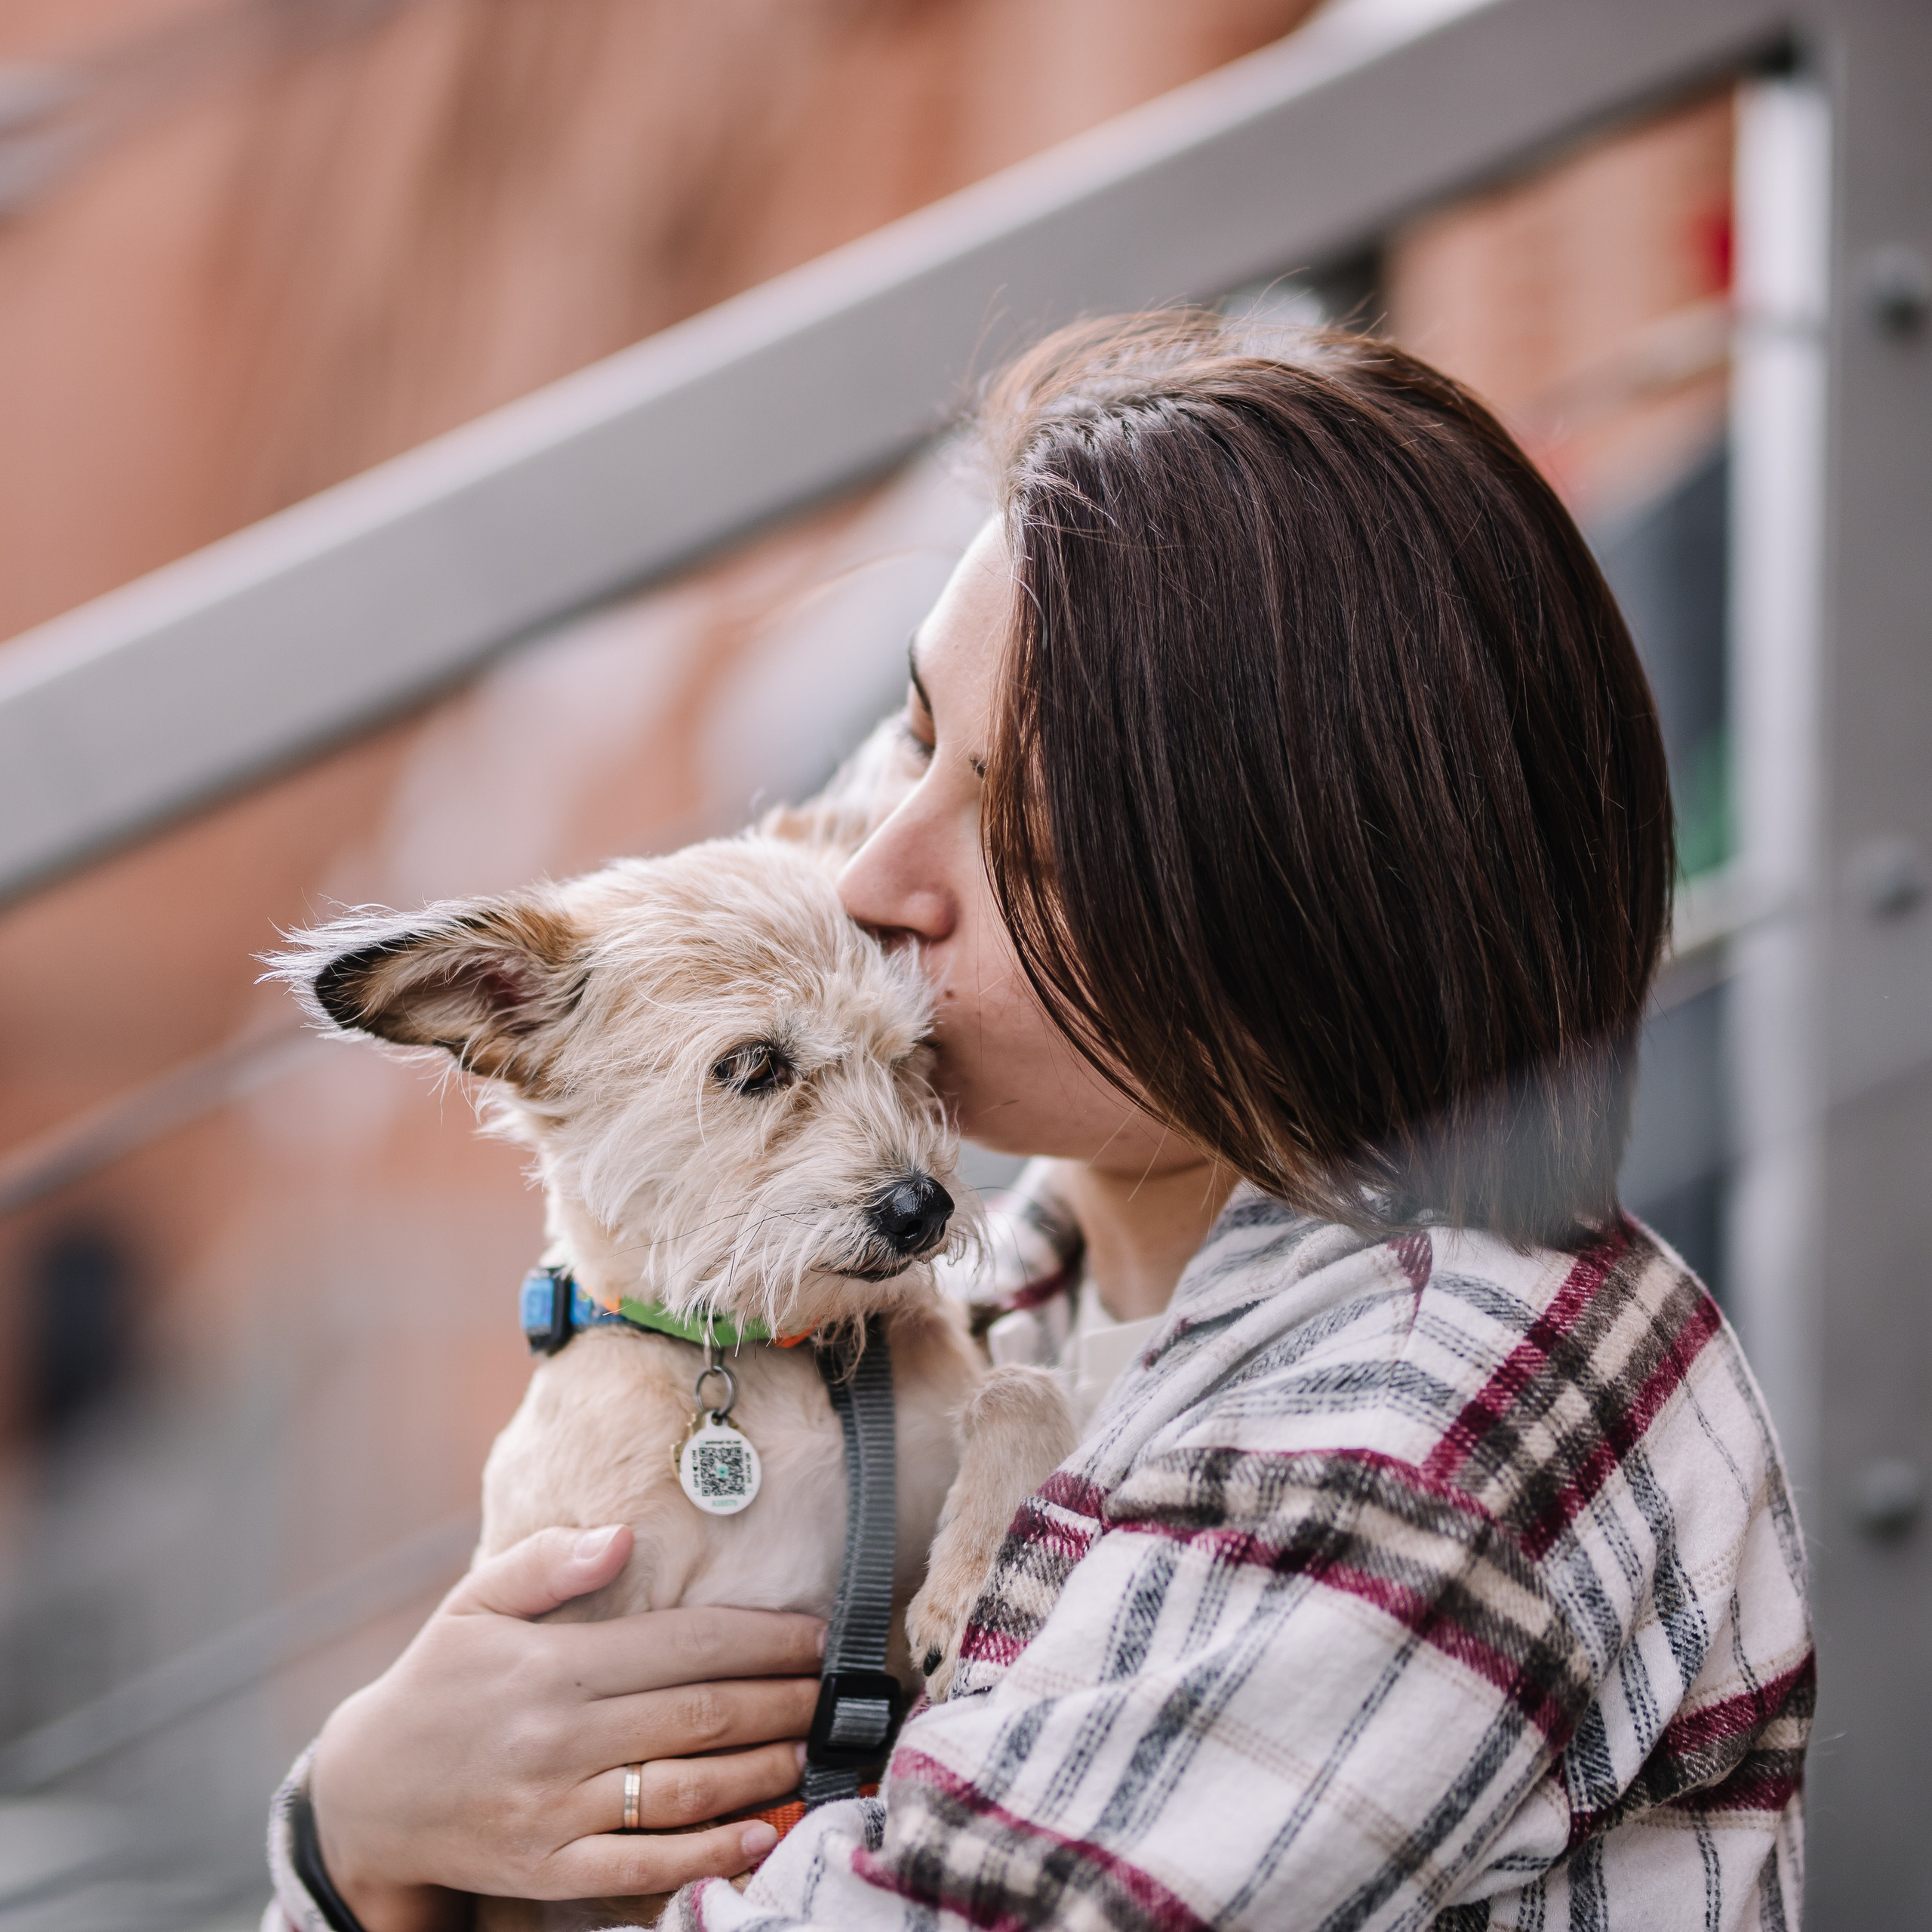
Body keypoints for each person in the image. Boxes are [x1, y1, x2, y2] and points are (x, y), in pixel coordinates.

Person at [266, 315, 1810, 1932]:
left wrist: (352, 1844)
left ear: (1299, 924)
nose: (872, 875)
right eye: (917, 736)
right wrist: (381, 1808)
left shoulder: (1422, 1430)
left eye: (1033, 844)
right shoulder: (1014, 1287)